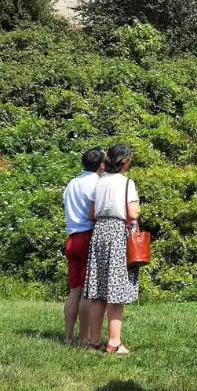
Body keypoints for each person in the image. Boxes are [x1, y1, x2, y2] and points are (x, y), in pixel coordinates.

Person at [84, 144, 141, 355]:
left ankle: (94, 341)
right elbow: (133, 212)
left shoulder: (99, 182)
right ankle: (114, 342)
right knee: (116, 291)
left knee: (98, 291)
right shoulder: (127, 183)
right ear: (124, 161)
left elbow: (92, 213)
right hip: (118, 233)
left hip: (99, 233)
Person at [62, 147, 105, 346]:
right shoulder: (97, 183)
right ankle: (85, 337)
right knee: (88, 291)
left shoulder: (72, 183)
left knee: (74, 290)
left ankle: (68, 336)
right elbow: (96, 211)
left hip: (71, 238)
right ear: (101, 165)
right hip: (88, 236)